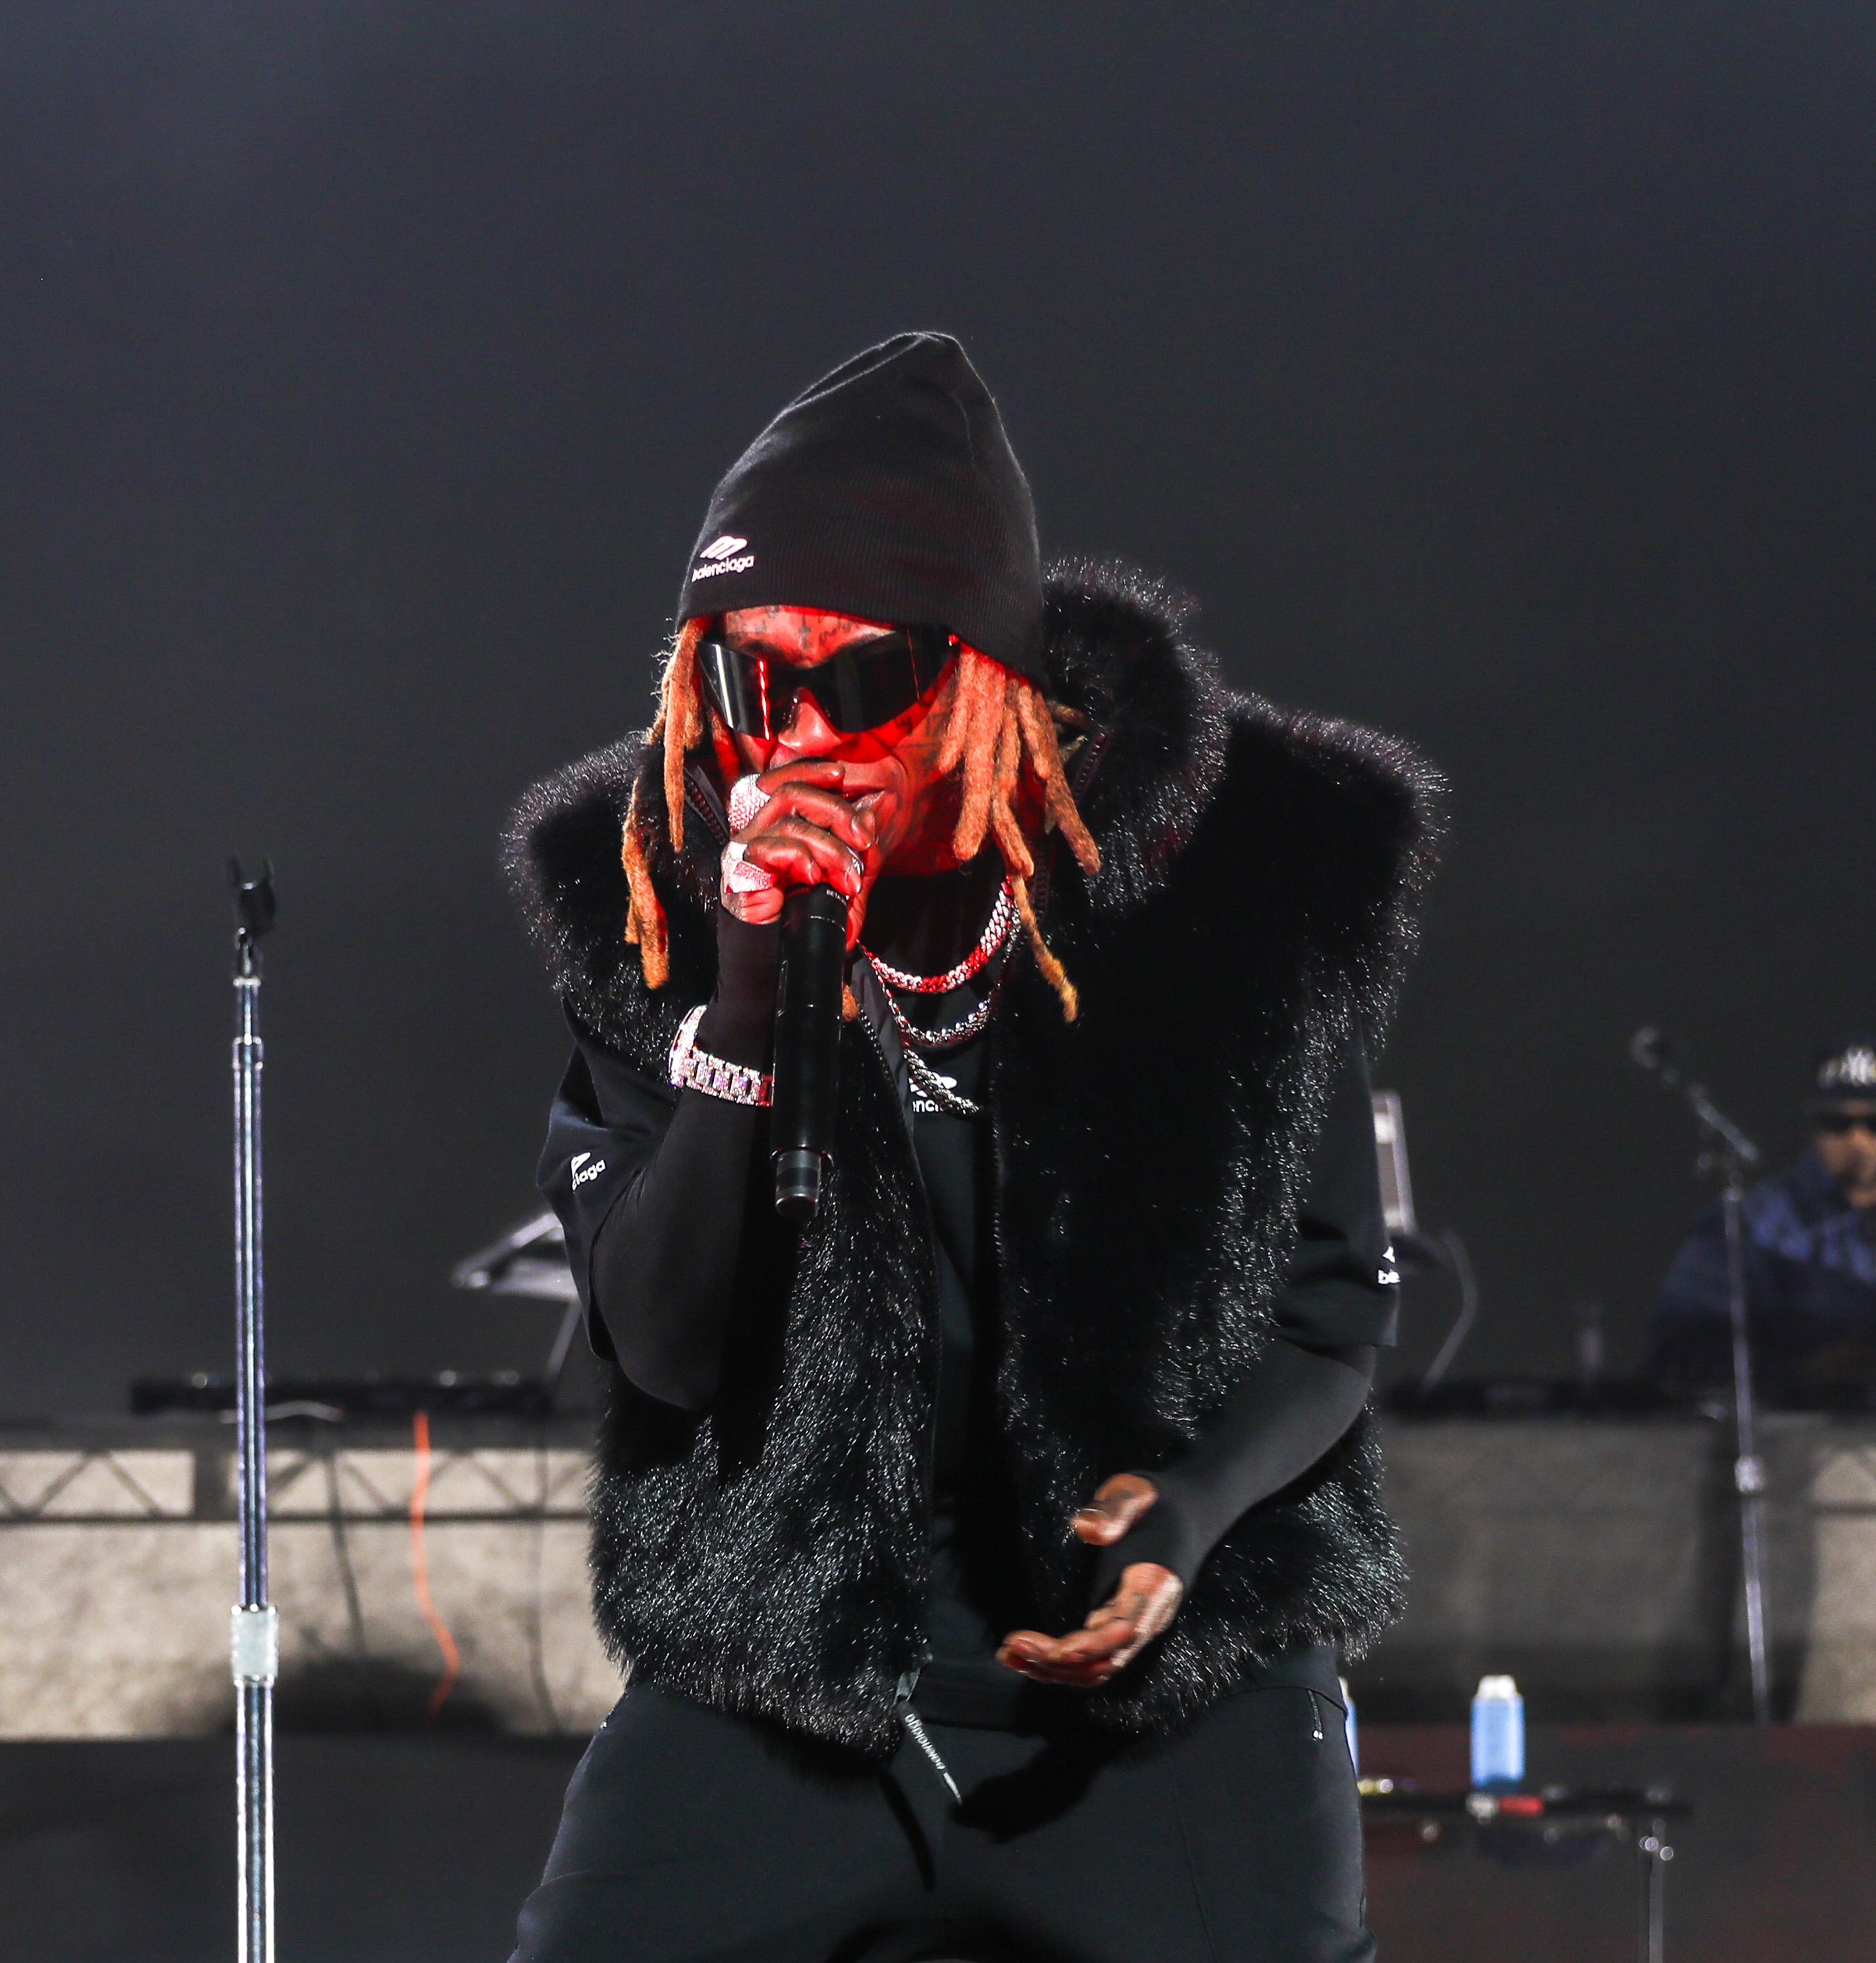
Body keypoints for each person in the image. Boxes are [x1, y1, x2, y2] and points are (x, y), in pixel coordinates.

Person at [503, 334, 1442, 1962]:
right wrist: (742, 998)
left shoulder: (1244, 901)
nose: (796, 732)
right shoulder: (651, 907)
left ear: (990, 683)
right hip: (782, 1688)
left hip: (1165, 1704)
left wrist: (1190, 1508)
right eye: (745, 675)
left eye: (859, 676)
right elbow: (661, 1346)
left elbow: (1327, 1317)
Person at [1654, 1037, 1876, 1404]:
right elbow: (1675, 1356)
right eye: (1836, 1123)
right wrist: (1802, 1371)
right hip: (1791, 1449)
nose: (1859, 1140)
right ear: (1812, 1120)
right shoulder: (1747, 1226)